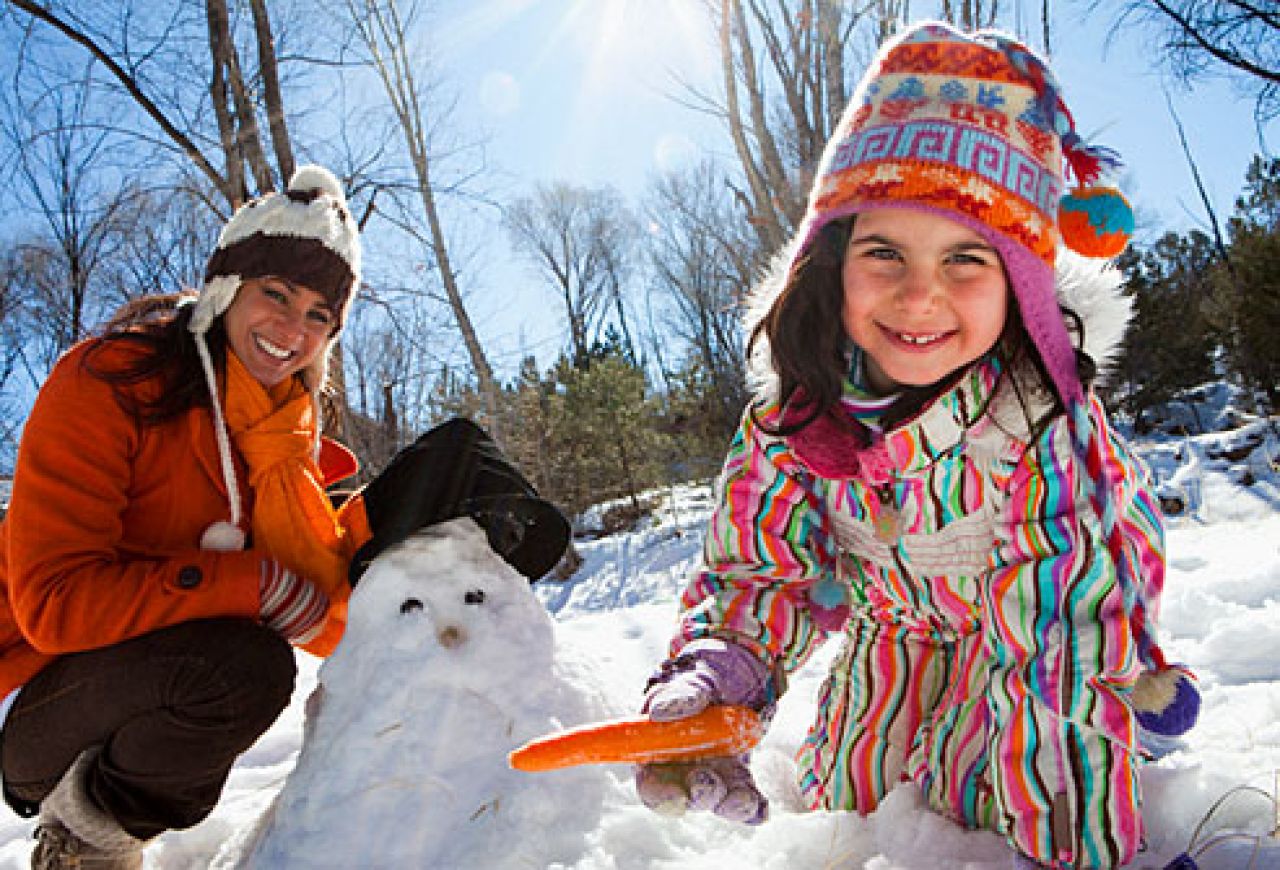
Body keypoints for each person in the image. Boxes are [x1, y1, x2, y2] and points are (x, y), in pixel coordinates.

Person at [634, 21, 1198, 869]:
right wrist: (723, 678)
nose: (919, 294)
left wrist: (1077, 851)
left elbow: (1062, 639)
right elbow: (762, 568)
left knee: (989, 791)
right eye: (884, 251)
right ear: (831, 262)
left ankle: (1134, 724)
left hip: (1040, 630)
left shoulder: (1043, 425)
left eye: (968, 257)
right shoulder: (795, 418)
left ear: (1023, 288)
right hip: (893, 630)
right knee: (854, 801)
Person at [0, 165, 569, 869]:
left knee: (444, 467)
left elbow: (327, 607)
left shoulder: (280, 437)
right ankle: (83, 839)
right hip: (37, 696)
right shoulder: (107, 382)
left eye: (318, 316)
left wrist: (416, 511)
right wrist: (254, 583)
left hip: (166, 670)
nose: (291, 329)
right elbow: (53, 606)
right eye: (276, 294)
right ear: (225, 290)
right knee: (244, 665)